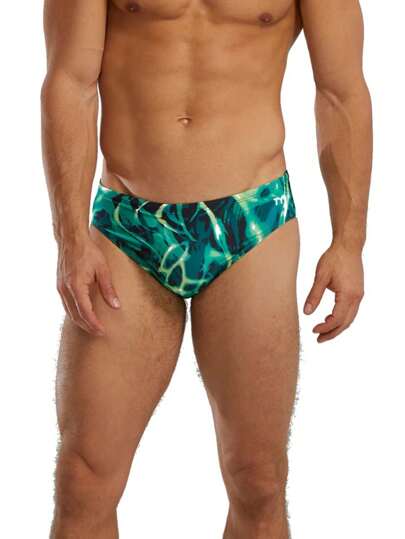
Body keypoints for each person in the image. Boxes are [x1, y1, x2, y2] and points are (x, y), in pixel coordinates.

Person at [41, 1, 372, 537]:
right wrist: (70, 239)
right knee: (83, 478)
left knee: (258, 480)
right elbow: (69, 81)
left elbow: (341, 90)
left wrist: (349, 242)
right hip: (129, 224)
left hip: (251, 221)